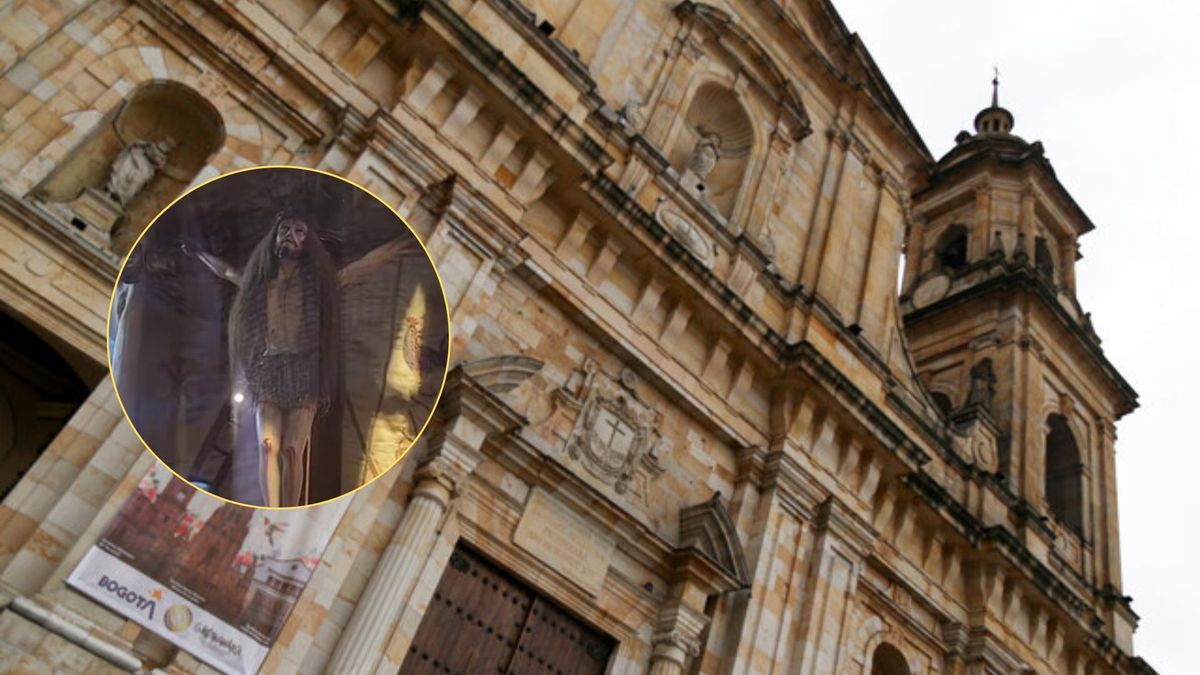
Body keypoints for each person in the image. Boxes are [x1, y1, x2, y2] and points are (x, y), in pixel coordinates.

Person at [187, 210, 421, 506]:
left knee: (292, 450)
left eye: (299, 231)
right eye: (285, 229)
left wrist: (399, 246)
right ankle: (271, 507)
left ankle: (288, 505)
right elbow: (226, 272)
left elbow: (361, 268)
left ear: (307, 242)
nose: (290, 236)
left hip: (305, 369)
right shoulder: (261, 282)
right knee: (268, 446)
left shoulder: (317, 286)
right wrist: (198, 253)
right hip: (269, 367)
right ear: (274, 236)